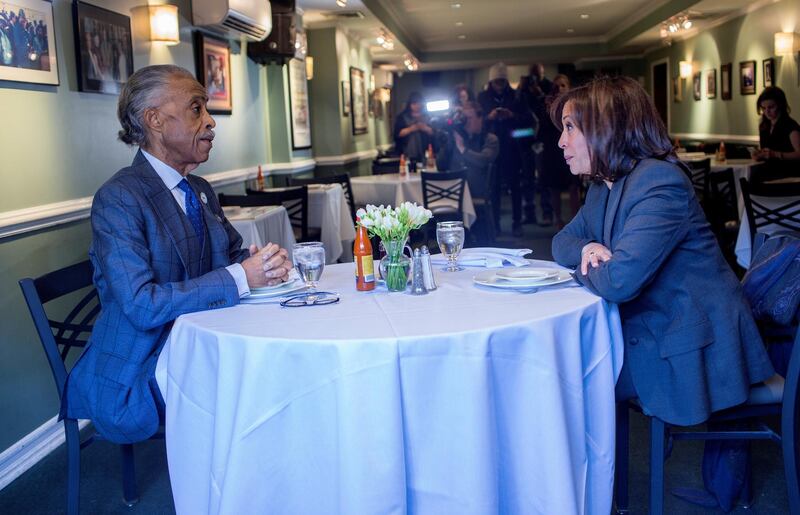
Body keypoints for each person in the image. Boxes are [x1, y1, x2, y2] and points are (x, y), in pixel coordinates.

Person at [63, 65, 293, 444]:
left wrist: (263, 265)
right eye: (196, 108)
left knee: (274, 361)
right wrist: (241, 276)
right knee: (261, 377)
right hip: (142, 362)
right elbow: (140, 305)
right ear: (154, 119)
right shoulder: (119, 198)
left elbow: (235, 256)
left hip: (198, 337)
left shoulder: (199, 188)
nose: (210, 121)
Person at [551, 76, 774, 428]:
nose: (561, 142)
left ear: (606, 127)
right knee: (564, 370)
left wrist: (586, 267)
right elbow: (560, 242)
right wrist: (589, 247)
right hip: (654, 324)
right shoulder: (603, 186)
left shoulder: (659, 182)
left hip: (696, 344)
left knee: (567, 381)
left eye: (569, 128)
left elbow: (618, 282)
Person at [478, 62, 526, 236]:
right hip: (491, 147)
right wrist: (489, 117)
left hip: (512, 146)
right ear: (491, 82)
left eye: (502, 81)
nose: (499, 85)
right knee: (494, 189)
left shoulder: (516, 96)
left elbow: (525, 120)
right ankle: (495, 224)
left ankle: (517, 223)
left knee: (515, 188)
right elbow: (477, 123)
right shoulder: (482, 98)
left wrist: (511, 115)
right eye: (496, 82)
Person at [538, 74, 580, 228]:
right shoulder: (547, 104)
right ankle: (558, 220)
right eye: (557, 86)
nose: (560, 89)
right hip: (552, 150)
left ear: (568, 87)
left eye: (563, 85)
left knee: (573, 186)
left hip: (572, 147)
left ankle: (576, 221)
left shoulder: (576, 104)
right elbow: (542, 131)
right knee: (554, 187)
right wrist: (549, 110)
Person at [436, 100, 499, 197]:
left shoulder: (490, 139)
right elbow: (440, 165)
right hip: (452, 192)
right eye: (464, 119)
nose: (466, 122)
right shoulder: (457, 138)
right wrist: (446, 142)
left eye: (469, 118)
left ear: (480, 118)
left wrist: (463, 150)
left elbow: (484, 160)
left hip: (475, 192)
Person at [753, 86, 800, 180]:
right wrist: (759, 154)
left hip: (789, 174)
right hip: (770, 172)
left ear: (780, 105)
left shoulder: (790, 125)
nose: (767, 112)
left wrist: (776, 154)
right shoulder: (764, 126)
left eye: (771, 107)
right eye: (763, 108)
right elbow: (766, 150)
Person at [393, 91, 434, 164]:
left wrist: (424, 128)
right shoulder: (402, 117)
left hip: (426, 153)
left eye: (419, 103)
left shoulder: (428, 116)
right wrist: (412, 128)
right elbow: (398, 134)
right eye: (414, 103)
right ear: (410, 105)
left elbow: (434, 132)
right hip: (407, 153)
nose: (417, 106)